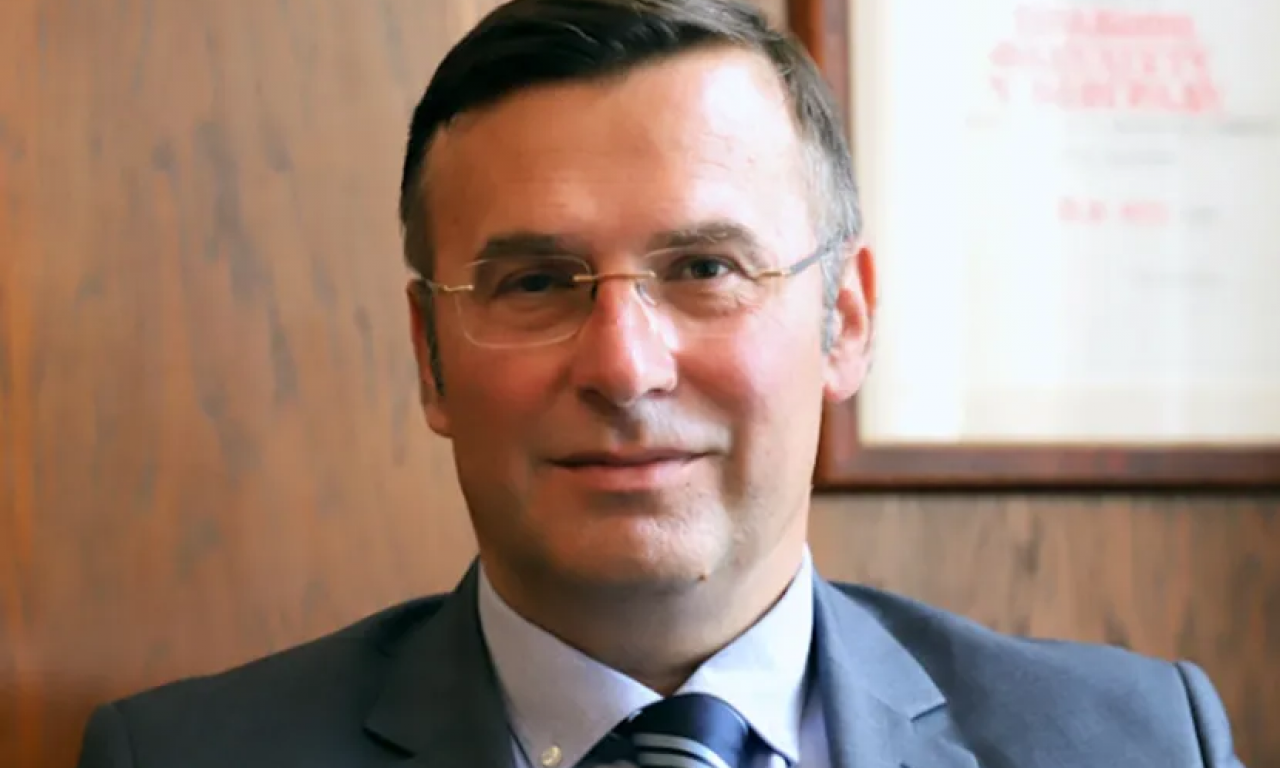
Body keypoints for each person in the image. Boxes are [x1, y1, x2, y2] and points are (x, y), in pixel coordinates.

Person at [77, 1, 1244, 766]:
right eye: (536, 282)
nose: (623, 367)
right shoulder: (182, 757)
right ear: (430, 356)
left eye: (703, 269)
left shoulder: (1135, 745)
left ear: (843, 321)